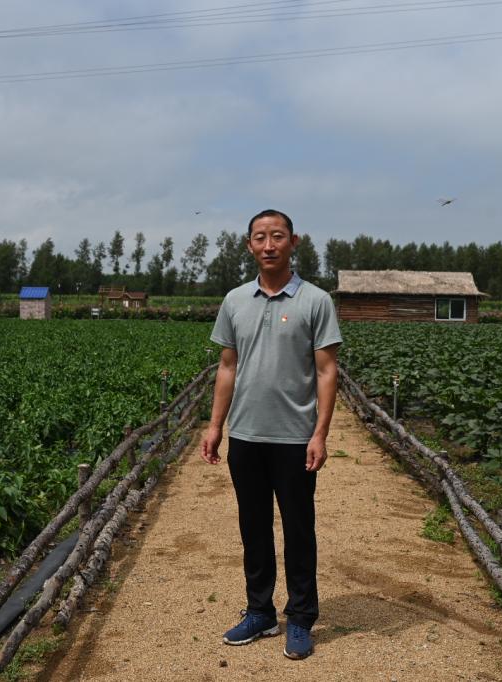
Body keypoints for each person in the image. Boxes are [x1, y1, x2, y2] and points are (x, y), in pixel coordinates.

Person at [200, 209, 342, 660]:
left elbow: (327, 371)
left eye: (277, 236)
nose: (269, 245)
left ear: (293, 242)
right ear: (249, 245)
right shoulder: (235, 300)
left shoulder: (316, 301)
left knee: (299, 529)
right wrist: (216, 425)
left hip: (295, 437)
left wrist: (320, 433)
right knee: (253, 526)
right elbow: (227, 366)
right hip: (246, 435)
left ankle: (300, 617)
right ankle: (260, 611)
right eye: (260, 237)